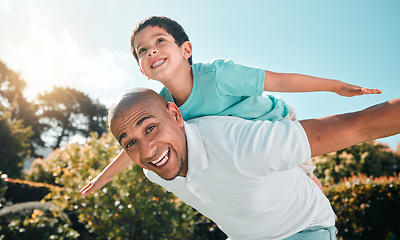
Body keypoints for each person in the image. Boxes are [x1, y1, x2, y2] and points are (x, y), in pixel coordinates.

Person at [80, 16, 381, 195]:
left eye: (160, 41)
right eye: (142, 50)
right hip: (239, 145)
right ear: (143, 69)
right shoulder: (161, 105)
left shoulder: (219, 75)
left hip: (275, 124)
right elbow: (139, 143)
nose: (151, 51)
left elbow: (279, 80)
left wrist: (337, 87)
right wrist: (101, 178)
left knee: (300, 181)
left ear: (186, 49)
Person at [90, 87, 400, 239]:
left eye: (150, 128)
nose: (147, 150)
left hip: (304, 230)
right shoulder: (153, 169)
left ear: (175, 115)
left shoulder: (240, 144)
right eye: (131, 142)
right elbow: (138, 146)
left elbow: (359, 125)